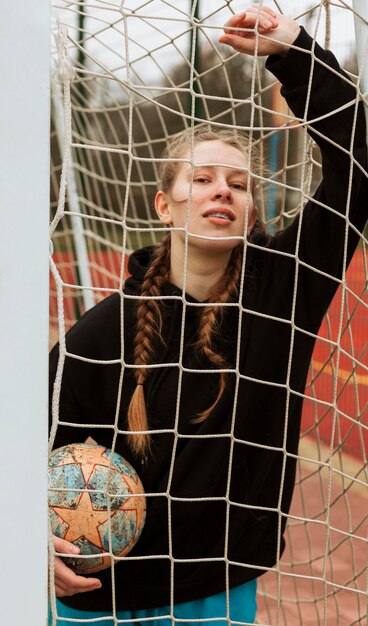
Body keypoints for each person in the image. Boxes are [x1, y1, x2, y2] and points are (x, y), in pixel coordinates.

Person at [48, 4, 368, 625]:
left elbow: (363, 166)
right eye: (202, 179)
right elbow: (26, 437)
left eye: (239, 183)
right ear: (165, 206)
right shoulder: (104, 333)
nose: (222, 189)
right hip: (100, 601)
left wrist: (296, 51)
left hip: (222, 592)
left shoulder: (282, 293)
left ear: (251, 212)